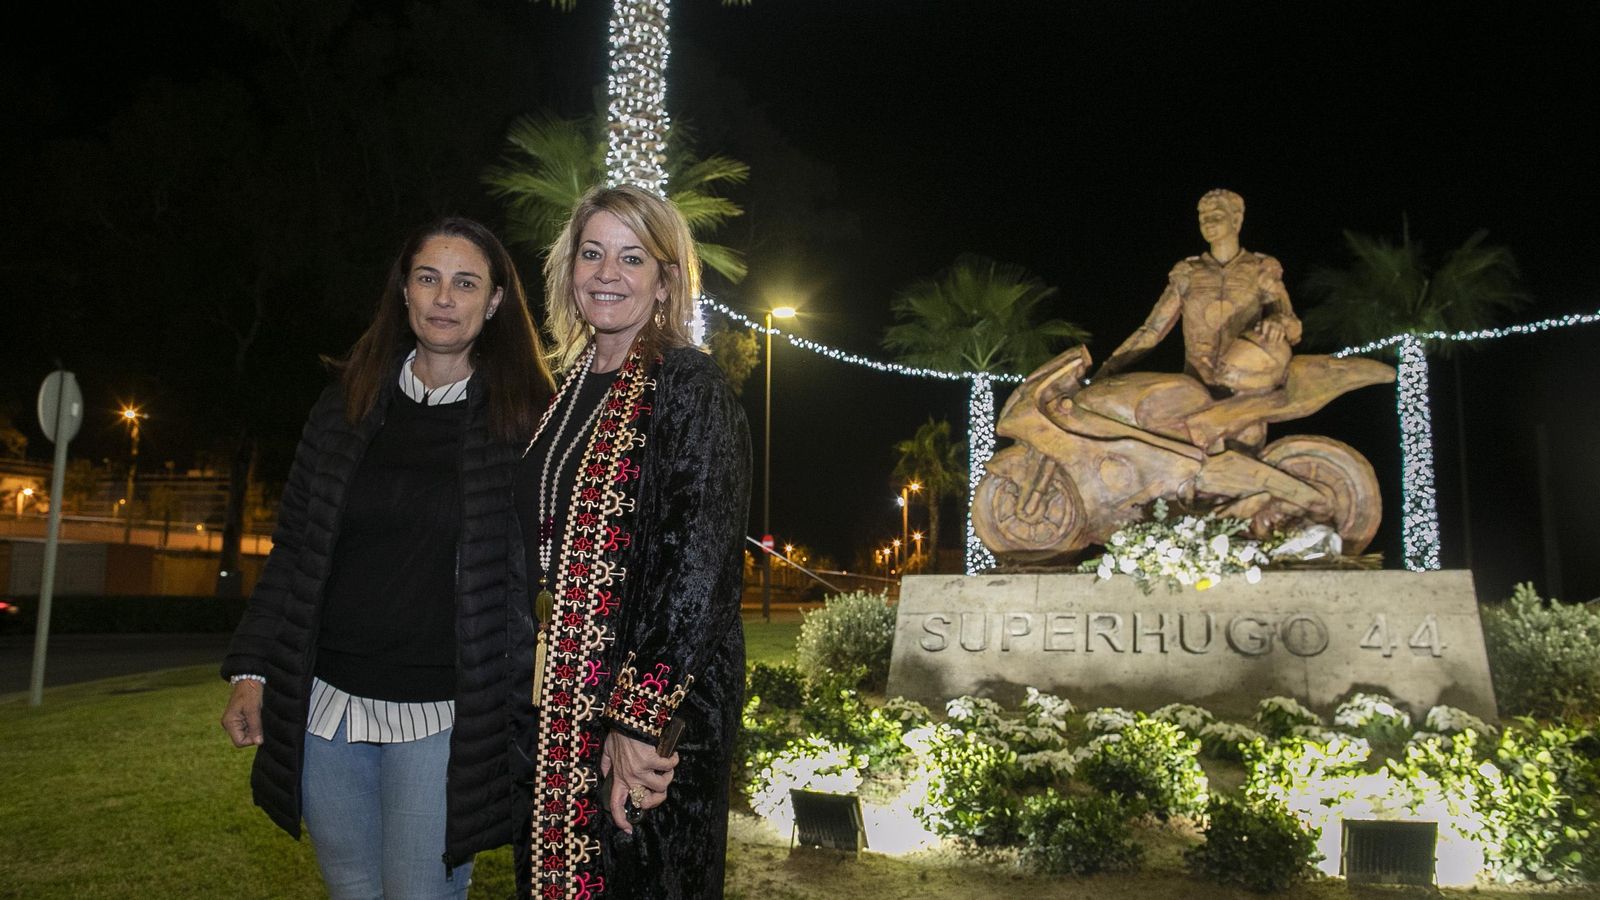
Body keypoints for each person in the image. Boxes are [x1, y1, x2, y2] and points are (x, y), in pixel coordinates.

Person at [220, 216, 554, 899]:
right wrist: (251, 669)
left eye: (466, 283)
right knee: (352, 890)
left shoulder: (525, 421)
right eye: (428, 278)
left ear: (495, 302)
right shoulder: (345, 403)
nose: (444, 298)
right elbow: (294, 548)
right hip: (325, 707)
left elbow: (548, 566)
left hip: (445, 715)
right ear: (404, 290)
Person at [511, 184, 751, 899]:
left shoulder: (690, 386)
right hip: (558, 708)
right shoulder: (565, 392)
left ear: (665, 280)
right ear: (569, 270)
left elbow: (701, 571)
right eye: (592, 254)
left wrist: (637, 724)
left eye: (632, 257)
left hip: (652, 724)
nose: (607, 273)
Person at [1096, 189, 1302, 396]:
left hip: (1245, 392)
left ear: (1236, 220)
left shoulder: (1260, 269)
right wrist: (1110, 366)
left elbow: (1293, 330)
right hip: (1195, 391)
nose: (1208, 223)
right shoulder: (1188, 273)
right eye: (1203, 218)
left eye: (1216, 216)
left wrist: (1278, 321)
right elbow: (1152, 330)